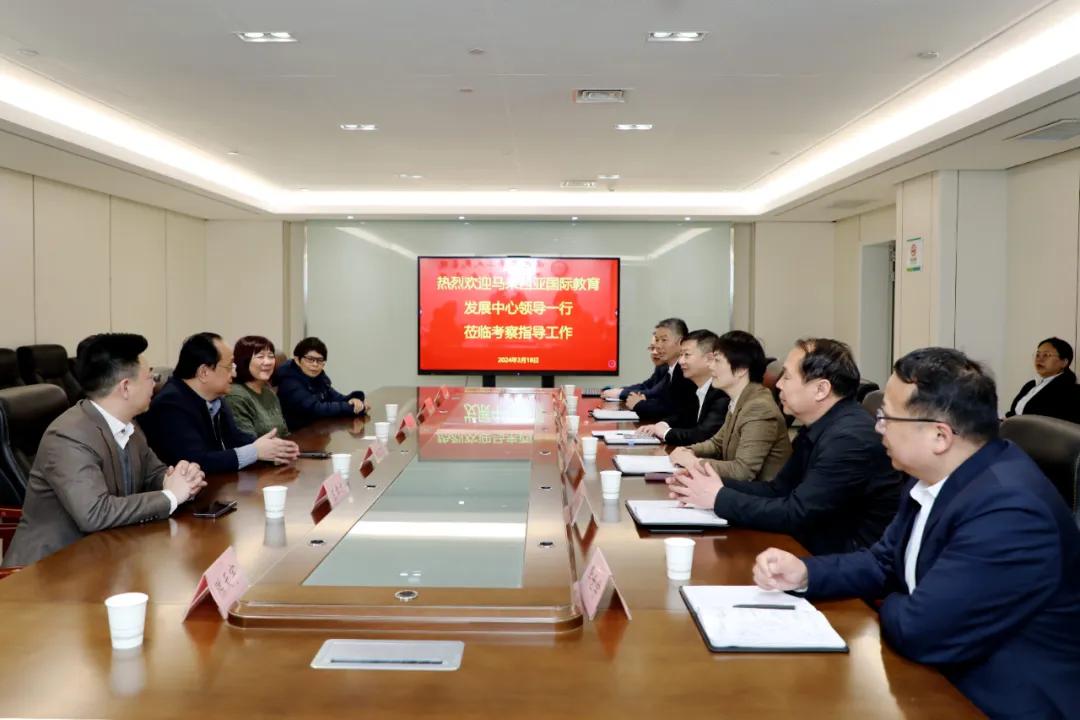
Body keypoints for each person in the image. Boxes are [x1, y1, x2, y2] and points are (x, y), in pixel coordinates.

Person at [753, 347, 1080, 718]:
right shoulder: (930, 476)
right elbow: (883, 561)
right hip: (936, 676)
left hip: (996, 700)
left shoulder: (1009, 512)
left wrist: (892, 600)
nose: (878, 428)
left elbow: (920, 631)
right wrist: (806, 572)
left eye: (887, 417)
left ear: (940, 436)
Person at [668, 338, 900, 554]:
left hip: (843, 559)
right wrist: (706, 485)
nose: (778, 384)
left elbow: (797, 513)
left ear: (821, 389)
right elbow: (778, 490)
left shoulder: (849, 439)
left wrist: (719, 498)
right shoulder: (819, 425)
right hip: (812, 544)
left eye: (787, 377)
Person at [3, 334, 207, 567]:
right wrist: (171, 496)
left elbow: (153, 473)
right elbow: (95, 513)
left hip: (107, 553)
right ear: (125, 387)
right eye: (150, 377)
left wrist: (182, 479)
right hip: (48, 569)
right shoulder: (68, 435)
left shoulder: (129, 425)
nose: (155, 383)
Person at [141, 332, 299, 474]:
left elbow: (235, 438)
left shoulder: (215, 398)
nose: (234, 373)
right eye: (229, 366)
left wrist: (272, 448)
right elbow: (197, 461)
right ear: (204, 372)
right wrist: (255, 452)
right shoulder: (170, 405)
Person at [669, 331, 791, 482]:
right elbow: (717, 444)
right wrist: (688, 450)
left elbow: (743, 471)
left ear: (741, 369)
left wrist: (694, 463)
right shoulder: (740, 399)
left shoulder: (759, 408)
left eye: (717, 361)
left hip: (760, 493)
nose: (710, 365)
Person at [638, 330, 729, 446]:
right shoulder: (695, 387)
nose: (681, 361)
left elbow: (703, 435)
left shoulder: (722, 393)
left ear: (709, 358)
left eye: (687, 355)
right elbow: (683, 417)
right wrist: (661, 425)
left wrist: (665, 433)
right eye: (680, 355)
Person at [274, 337, 367, 430]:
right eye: (310, 359)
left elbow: (335, 397)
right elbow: (314, 409)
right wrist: (351, 408)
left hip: (317, 429)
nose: (315, 364)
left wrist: (355, 400)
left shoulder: (318, 376)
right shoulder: (289, 380)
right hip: (297, 434)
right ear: (297, 360)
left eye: (319, 360)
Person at [623, 318, 693, 420]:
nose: (658, 346)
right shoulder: (671, 369)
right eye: (657, 340)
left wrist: (639, 404)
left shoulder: (685, 371)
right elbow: (662, 401)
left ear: (681, 342)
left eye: (664, 340)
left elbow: (671, 410)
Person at [224, 335, 290, 438]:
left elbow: (284, 432)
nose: (268, 362)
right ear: (244, 360)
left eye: (271, 356)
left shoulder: (269, 392)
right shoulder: (236, 396)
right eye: (260, 357)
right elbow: (247, 441)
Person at [1006, 337, 1079, 423]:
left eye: (1046, 355)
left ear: (1064, 362)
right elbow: (1014, 413)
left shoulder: (1073, 391)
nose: (1039, 359)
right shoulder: (1031, 385)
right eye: (1037, 355)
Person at [601, 335, 663, 401]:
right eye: (652, 348)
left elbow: (654, 394)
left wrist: (620, 393)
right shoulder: (661, 368)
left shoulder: (670, 371)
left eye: (659, 348)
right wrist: (620, 390)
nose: (654, 352)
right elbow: (645, 386)